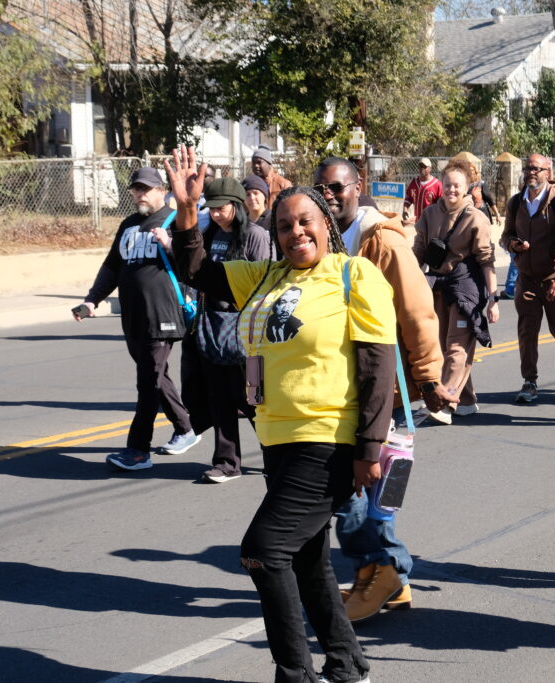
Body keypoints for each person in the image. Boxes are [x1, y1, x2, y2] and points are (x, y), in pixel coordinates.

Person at [169, 145, 393, 683]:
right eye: (285, 224)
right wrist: (186, 210)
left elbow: (377, 368)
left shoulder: (353, 276)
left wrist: (369, 450)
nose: (297, 232)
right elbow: (195, 268)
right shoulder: (266, 278)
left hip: (329, 440)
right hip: (278, 440)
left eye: (307, 221)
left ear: (326, 224)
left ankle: (295, 674)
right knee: (307, 559)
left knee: (263, 552)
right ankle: (348, 662)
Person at [312, 156, 454, 622]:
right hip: (337, 384)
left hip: (380, 386)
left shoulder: (382, 242)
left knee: (367, 486)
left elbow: (417, 311)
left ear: (358, 187)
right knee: (357, 490)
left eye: (336, 187)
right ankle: (387, 578)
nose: (328, 195)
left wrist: (430, 376)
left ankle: (387, 569)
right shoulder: (324, 240)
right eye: (321, 188)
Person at [74, 166, 199, 471]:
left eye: (147, 188)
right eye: (136, 189)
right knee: (156, 376)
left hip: (164, 313)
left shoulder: (175, 221)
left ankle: (138, 451)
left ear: (162, 191)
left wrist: (169, 244)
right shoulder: (129, 225)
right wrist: (92, 299)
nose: (141, 194)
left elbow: (193, 261)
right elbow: (112, 266)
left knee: (147, 383)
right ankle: (185, 428)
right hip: (134, 318)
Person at [157, 177, 269, 483]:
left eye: (223, 208)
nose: (217, 214)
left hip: (246, 332)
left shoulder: (255, 236)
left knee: (254, 400)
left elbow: (263, 284)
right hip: (211, 328)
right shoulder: (208, 233)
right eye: (213, 209)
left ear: (237, 205)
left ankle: (274, 456)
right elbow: (193, 271)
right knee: (219, 398)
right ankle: (226, 462)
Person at [413, 159, 500, 421]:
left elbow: (487, 260)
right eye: (448, 185)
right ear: (442, 185)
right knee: (439, 347)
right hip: (438, 285)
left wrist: (493, 299)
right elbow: (418, 251)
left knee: (456, 348)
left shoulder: (476, 218)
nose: (451, 190)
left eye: (457, 186)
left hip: (467, 287)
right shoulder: (430, 214)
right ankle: (466, 400)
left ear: (467, 188)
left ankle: (444, 402)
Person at [501, 153, 555, 404]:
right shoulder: (516, 202)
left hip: (554, 278)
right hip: (527, 278)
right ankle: (529, 381)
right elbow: (505, 235)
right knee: (527, 332)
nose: (531, 173)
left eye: (537, 169)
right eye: (528, 168)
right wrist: (513, 245)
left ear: (548, 172)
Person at [402, 158, 442, 224]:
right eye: (420, 166)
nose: (422, 169)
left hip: (432, 222)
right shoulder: (414, 183)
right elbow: (408, 199)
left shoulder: (437, 184)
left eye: (424, 167)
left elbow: (442, 204)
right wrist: (405, 211)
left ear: (430, 169)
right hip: (418, 221)